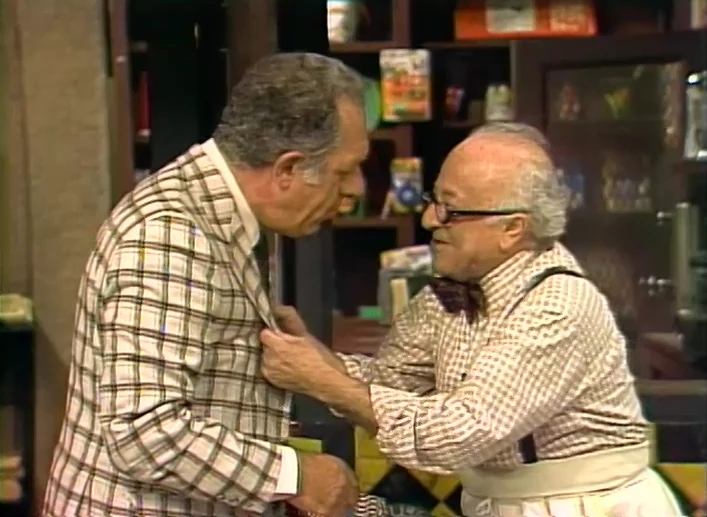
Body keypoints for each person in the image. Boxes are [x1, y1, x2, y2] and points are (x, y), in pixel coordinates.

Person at [259, 122, 684, 517]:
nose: (429, 220)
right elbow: (389, 386)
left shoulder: (558, 306)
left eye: (452, 210)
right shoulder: (449, 293)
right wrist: (316, 360)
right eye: (433, 201)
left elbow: (459, 433)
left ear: (513, 229)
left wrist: (321, 379)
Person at [42, 53, 372, 517]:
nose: (357, 189)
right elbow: (144, 432)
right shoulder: (173, 232)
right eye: (344, 171)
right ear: (287, 169)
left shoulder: (217, 214)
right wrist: (294, 475)